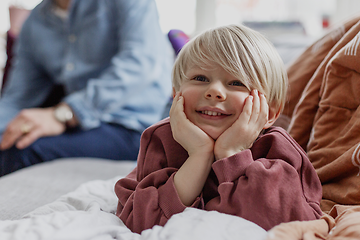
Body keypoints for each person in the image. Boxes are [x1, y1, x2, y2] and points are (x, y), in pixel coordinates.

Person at [114, 24, 323, 234]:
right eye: (200, 78)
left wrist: (232, 153)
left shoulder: (277, 148)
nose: (214, 91)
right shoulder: (160, 138)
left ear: (269, 112)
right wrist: (199, 155)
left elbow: (284, 221)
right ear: (176, 93)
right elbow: (138, 221)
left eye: (236, 83)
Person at [0, 0, 173, 176]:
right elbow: (18, 97)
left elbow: (140, 65)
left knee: (23, 152)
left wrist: (63, 114)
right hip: (83, 126)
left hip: (137, 127)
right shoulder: (35, 22)